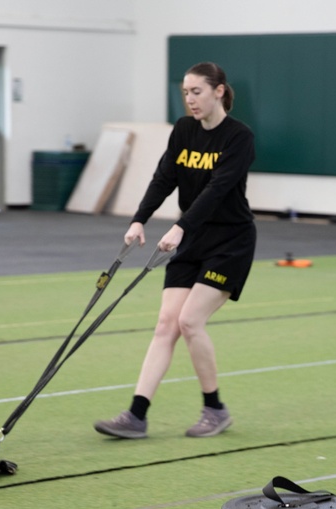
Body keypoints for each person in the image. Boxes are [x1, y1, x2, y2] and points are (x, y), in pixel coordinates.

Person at [94, 62, 256, 440]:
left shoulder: (239, 137)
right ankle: (136, 415)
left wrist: (180, 228)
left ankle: (214, 409)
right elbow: (165, 176)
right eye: (185, 92)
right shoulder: (184, 130)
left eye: (196, 92)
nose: (190, 100)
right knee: (167, 323)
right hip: (192, 238)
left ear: (219, 91)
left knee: (189, 322)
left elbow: (217, 190)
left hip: (229, 242)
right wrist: (139, 219)